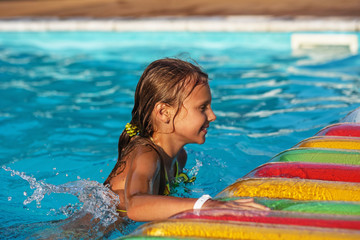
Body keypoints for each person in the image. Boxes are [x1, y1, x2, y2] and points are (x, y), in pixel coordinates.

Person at [104, 58, 268, 222]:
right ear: (164, 113)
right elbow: (136, 206)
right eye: (202, 107)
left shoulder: (180, 157)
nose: (212, 116)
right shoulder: (145, 154)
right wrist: (204, 206)